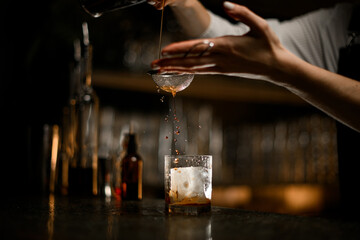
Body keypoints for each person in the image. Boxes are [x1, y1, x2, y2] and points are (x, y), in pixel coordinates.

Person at [149, 0, 360, 215]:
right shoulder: (345, 19)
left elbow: (272, 58)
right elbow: (239, 44)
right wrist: (186, 3)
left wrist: (281, 71)